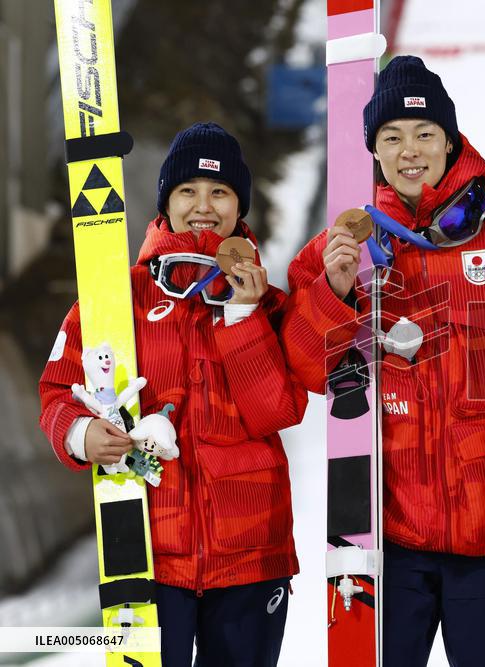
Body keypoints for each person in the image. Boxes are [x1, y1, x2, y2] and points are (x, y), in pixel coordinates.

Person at [280, 56, 485, 666]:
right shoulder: (343, 245)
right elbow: (308, 372)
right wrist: (332, 292)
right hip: (388, 538)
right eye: (392, 138)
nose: (410, 151)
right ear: (373, 151)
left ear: (450, 139)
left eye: (424, 134)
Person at [39, 122, 306, 667]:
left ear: (240, 205)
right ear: (166, 201)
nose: (202, 206)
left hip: (252, 555)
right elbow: (56, 389)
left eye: (220, 192)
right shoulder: (118, 297)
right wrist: (78, 431)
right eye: (187, 190)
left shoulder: (268, 302)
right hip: (147, 553)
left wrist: (241, 317)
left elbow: (274, 410)